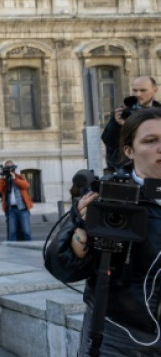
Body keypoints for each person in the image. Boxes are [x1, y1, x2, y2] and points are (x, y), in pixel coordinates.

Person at [45, 107, 161, 355]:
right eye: (150, 141)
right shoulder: (106, 194)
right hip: (119, 334)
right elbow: (63, 266)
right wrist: (83, 224)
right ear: (128, 150)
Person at [100, 75, 159, 172]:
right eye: (135, 90)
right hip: (125, 170)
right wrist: (119, 125)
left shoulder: (158, 113)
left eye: (143, 90)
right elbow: (108, 140)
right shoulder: (123, 112)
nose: (138, 94)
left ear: (154, 90)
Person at [0, 160, 33, 241]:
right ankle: (11, 249)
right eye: (7, 167)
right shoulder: (4, 179)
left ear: (14, 168)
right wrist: (2, 177)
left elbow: (26, 185)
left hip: (22, 208)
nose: (9, 169)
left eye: (11, 167)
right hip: (11, 209)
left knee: (26, 231)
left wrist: (14, 178)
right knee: (12, 232)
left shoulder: (20, 176)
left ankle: (30, 246)